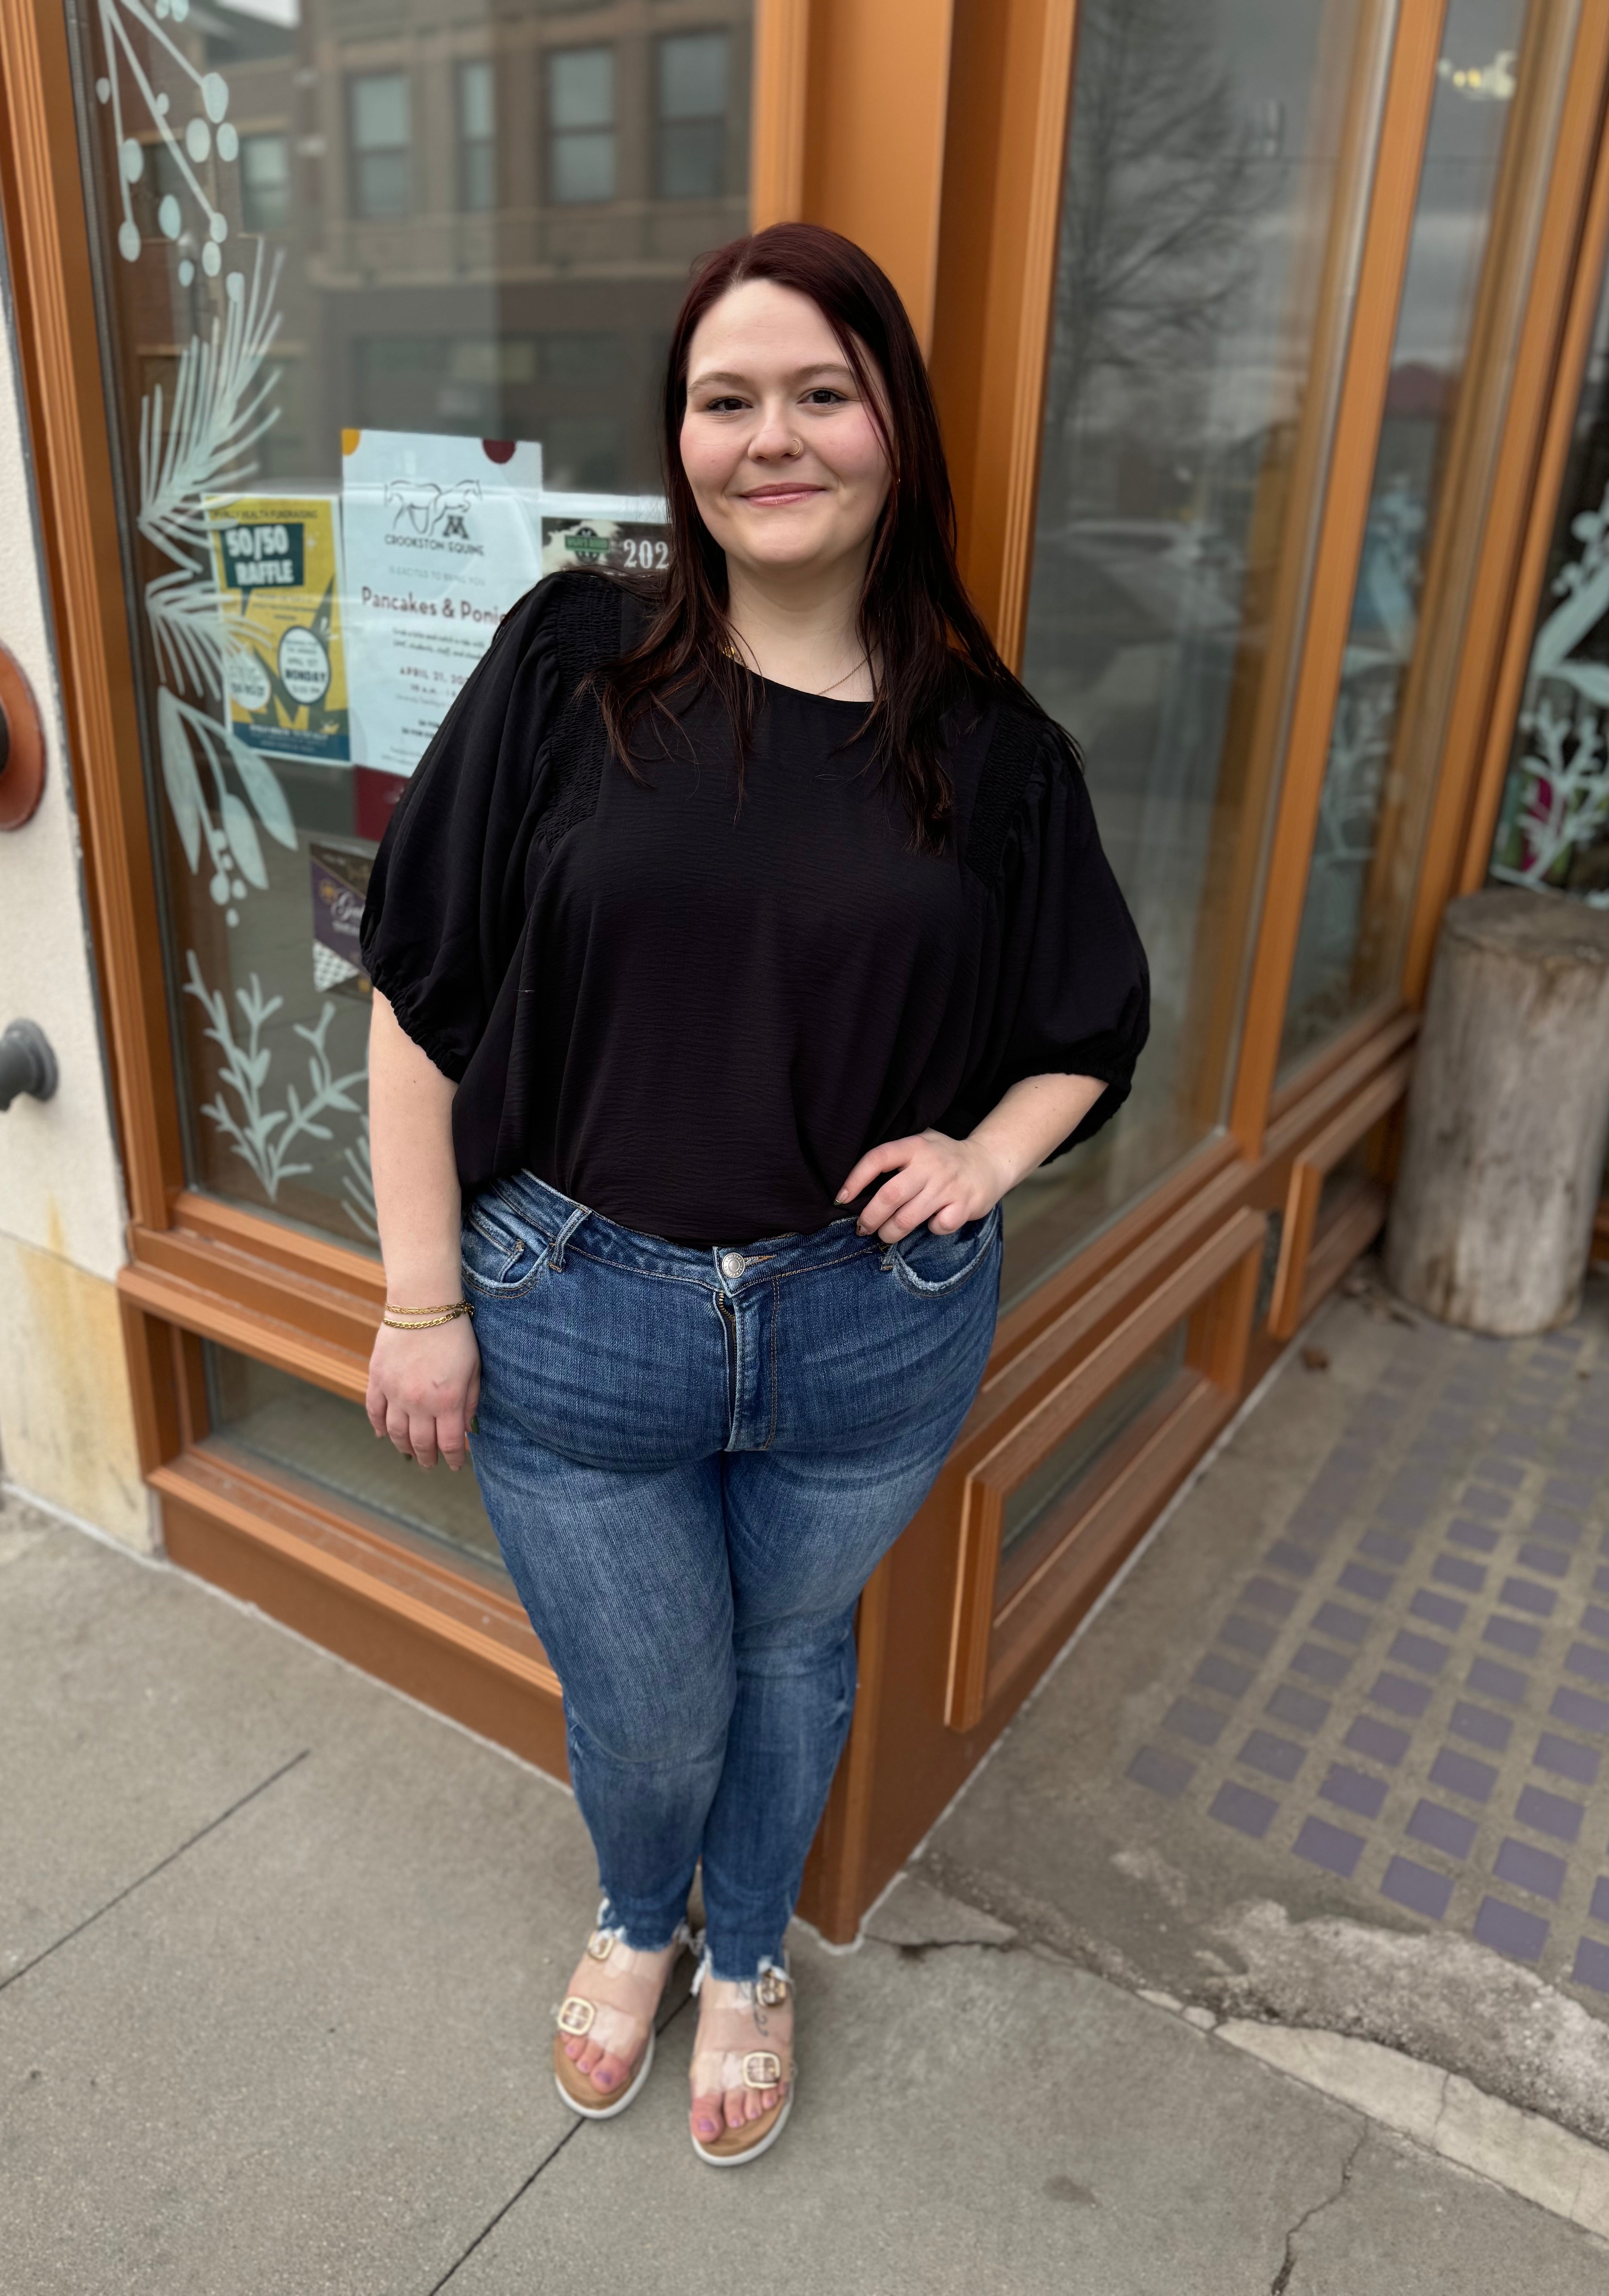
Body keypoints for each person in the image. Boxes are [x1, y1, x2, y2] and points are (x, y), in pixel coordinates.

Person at [359, 221, 1148, 2167]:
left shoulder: (990, 751)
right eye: (728, 399)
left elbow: (1088, 1028)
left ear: (895, 428)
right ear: (681, 439)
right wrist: (414, 1296)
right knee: (648, 1703)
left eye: (820, 392)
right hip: (572, 1306)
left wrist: (986, 1154)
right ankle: (641, 1919)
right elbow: (419, 989)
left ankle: (747, 1959)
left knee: (792, 1654)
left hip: (865, 1328)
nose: (768, 437)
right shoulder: (572, 661)